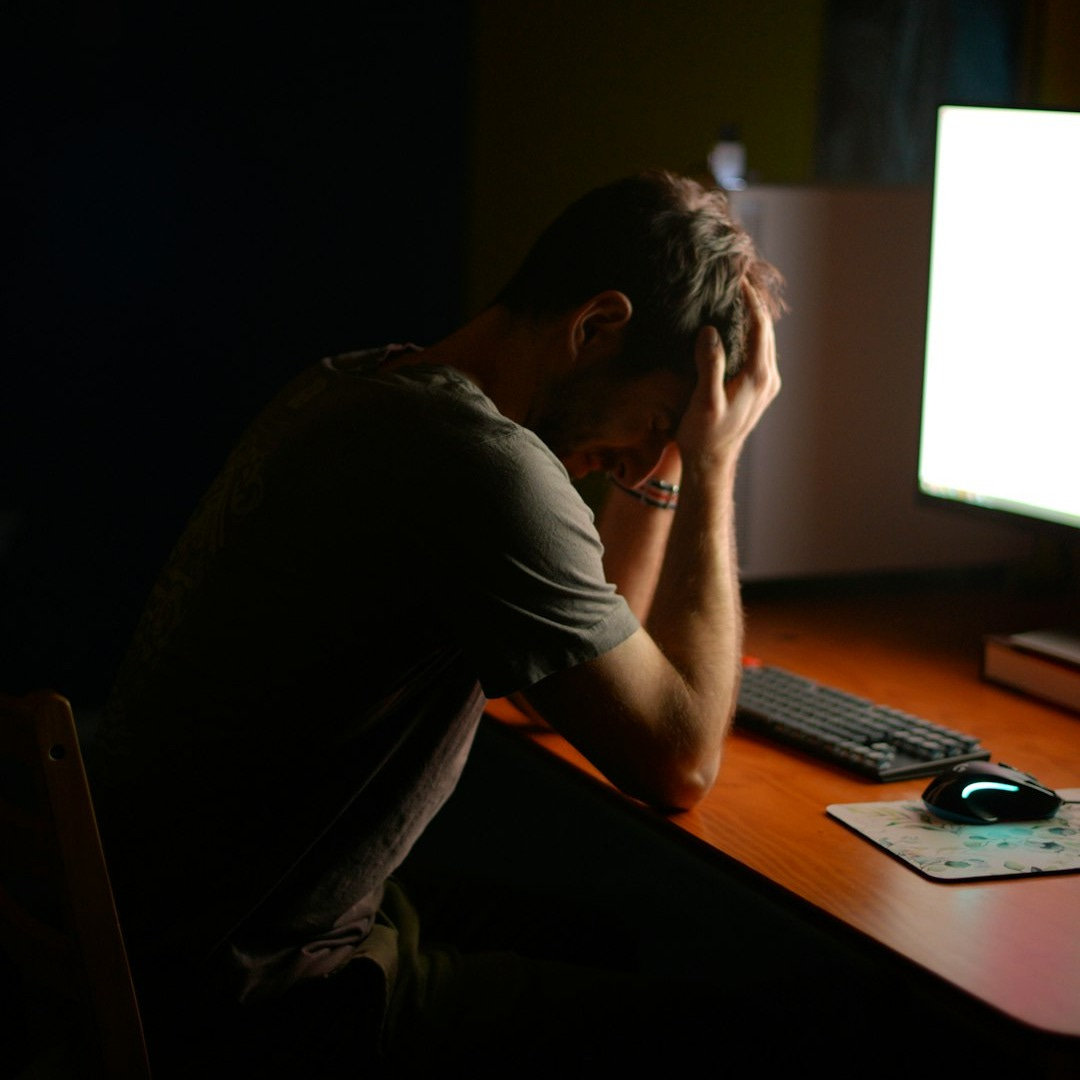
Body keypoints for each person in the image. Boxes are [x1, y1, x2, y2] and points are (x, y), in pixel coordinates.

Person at [87, 168, 786, 1076]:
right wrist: (712, 465)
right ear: (595, 326)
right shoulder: (483, 469)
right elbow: (679, 759)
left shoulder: (359, 387)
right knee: (738, 1035)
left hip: (166, 928)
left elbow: (573, 682)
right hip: (255, 995)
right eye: (658, 420)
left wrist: (663, 458)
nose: (647, 459)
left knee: (602, 933)